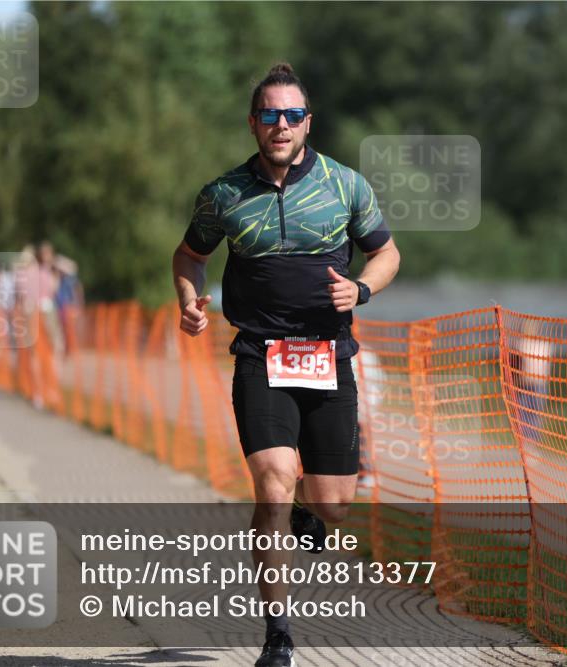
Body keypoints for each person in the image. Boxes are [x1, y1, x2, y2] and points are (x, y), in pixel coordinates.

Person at [171, 63, 400, 667]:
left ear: (307, 123)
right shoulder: (224, 195)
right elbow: (189, 255)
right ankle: (279, 637)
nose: (280, 125)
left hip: (328, 356)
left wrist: (363, 290)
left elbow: (386, 252)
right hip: (259, 355)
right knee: (272, 482)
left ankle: (309, 509)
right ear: (253, 122)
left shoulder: (345, 186)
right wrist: (190, 301)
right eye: (269, 114)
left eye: (291, 115)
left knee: (335, 505)